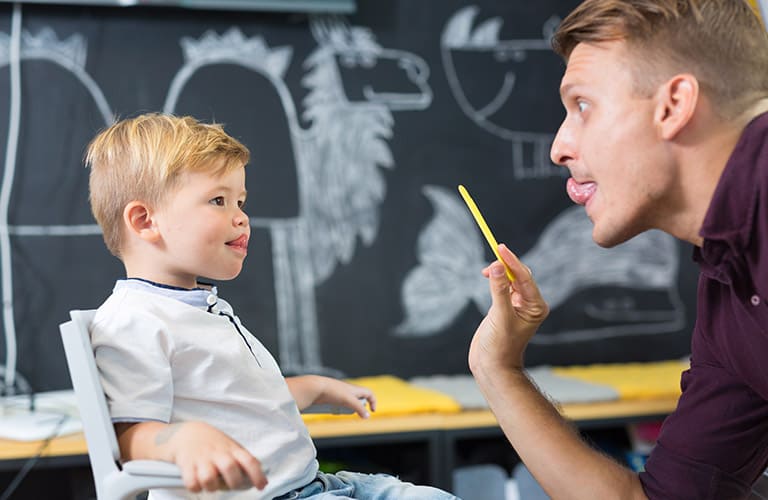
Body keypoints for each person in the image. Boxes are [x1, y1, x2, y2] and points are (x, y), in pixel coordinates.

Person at [467, 0, 768, 498]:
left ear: (673, 106)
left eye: (582, 105)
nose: (558, 147)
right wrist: (496, 368)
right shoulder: (728, 291)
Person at [85, 113, 459, 500]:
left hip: (311, 486)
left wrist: (310, 389)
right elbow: (129, 437)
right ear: (145, 220)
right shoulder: (133, 320)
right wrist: (182, 440)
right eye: (218, 200)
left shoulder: (200, 308)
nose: (242, 217)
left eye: (240, 201)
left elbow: (237, 401)